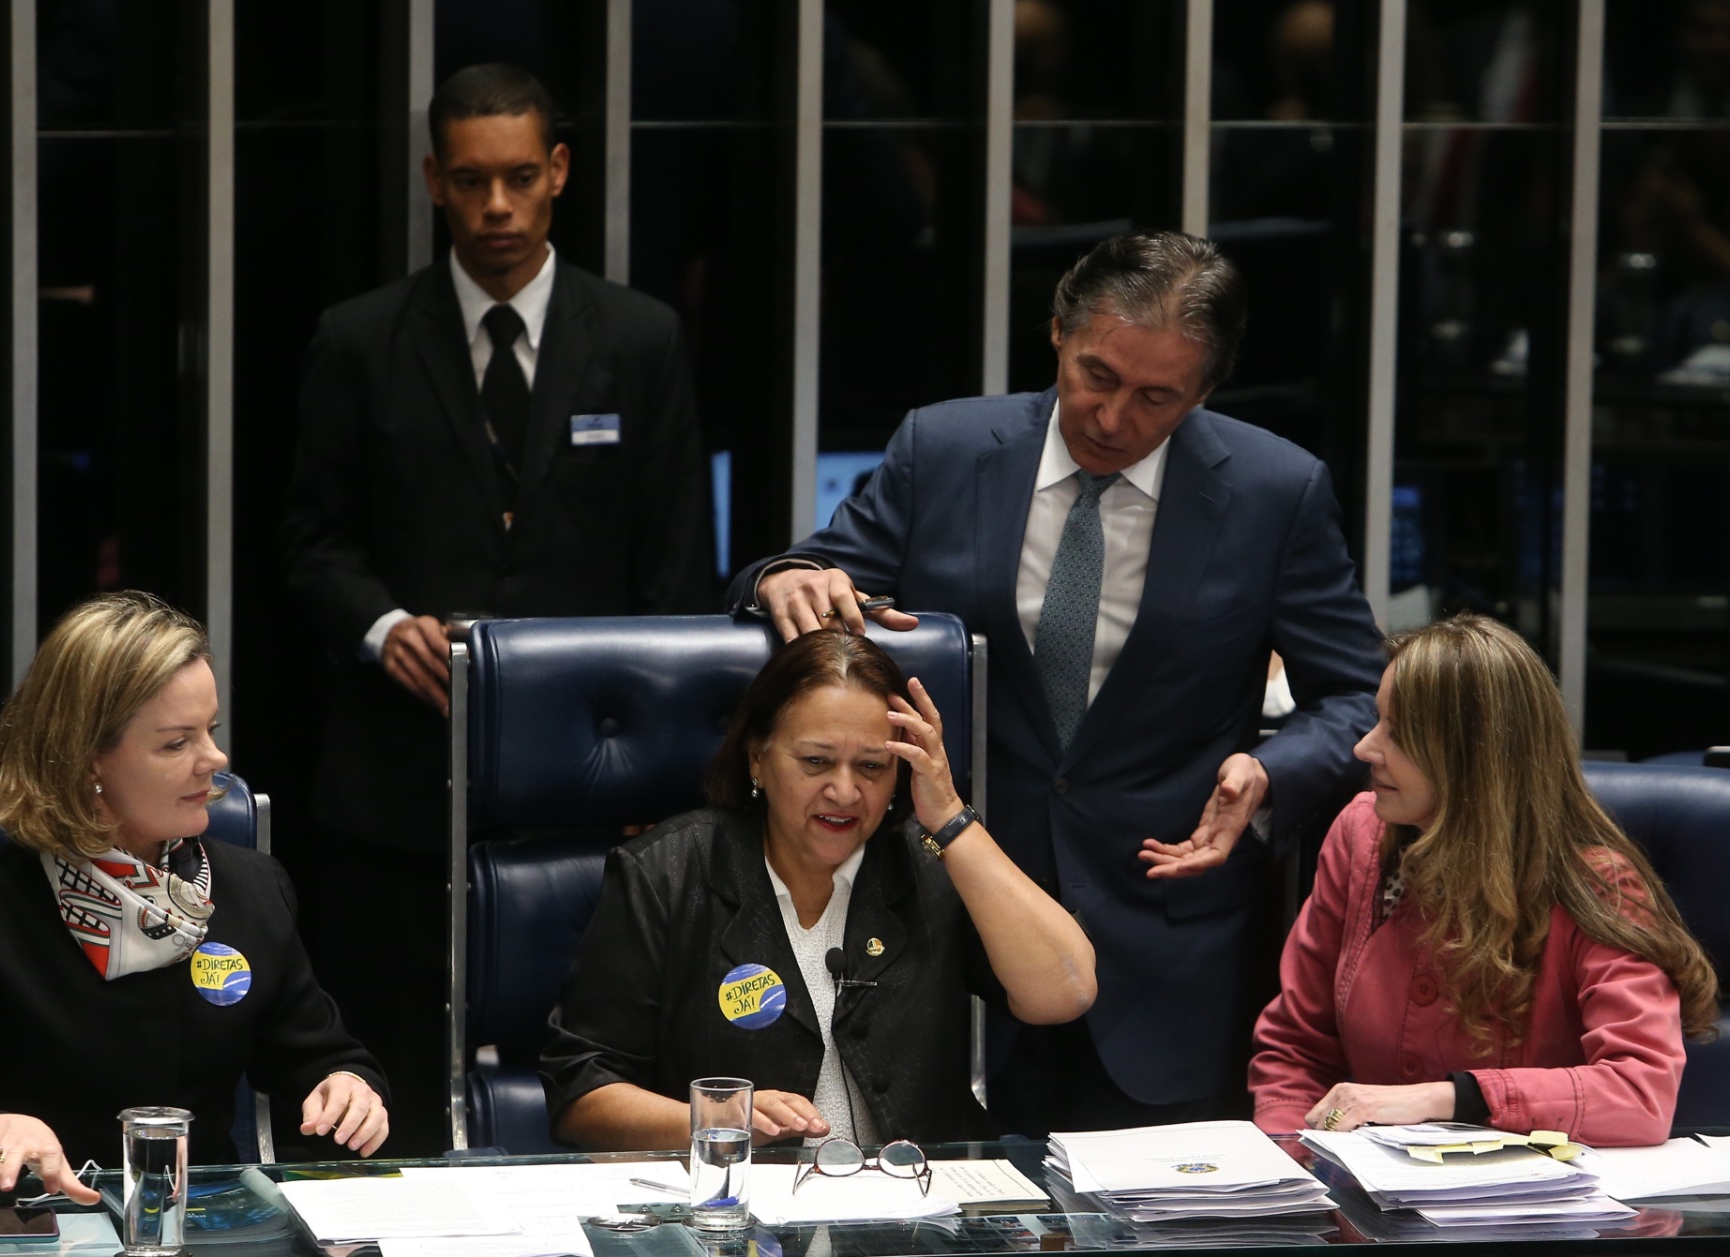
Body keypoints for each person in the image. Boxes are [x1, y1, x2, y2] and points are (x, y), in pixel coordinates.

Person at [727, 230, 1384, 1132]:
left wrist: (1274, 771)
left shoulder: (1277, 491)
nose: (1113, 417)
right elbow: (816, 577)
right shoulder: (947, 448)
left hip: (1166, 951)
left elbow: (1356, 694)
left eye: (1157, 397)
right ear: (1058, 335)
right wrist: (778, 576)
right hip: (954, 942)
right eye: (1096, 375)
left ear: (1203, 391)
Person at [283, 63, 712, 1152]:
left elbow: (675, 577)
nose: (499, 208)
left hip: (589, 791)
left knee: (595, 1062)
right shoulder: (360, 340)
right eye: (472, 181)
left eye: (521, 177)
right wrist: (384, 627)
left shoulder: (640, 339)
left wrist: (663, 783)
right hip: (398, 780)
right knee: (391, 1081)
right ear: (434, 179)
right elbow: (311, 543)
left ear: (559, 171)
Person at [0, 593, 389, 1200]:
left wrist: (347, 1083)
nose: (217, 759)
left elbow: (320, 1054)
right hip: (43, 1217)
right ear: (85, 763)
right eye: (176, 743)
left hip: (206, 1216)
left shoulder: (251, 889)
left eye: (209, 731)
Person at [540, 631, 1096, 1150]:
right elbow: (581, 1095)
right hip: (742, 1214)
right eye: (816, 761)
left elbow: (1064, 992)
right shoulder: (668, 873)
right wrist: (720, 1119)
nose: (845, 791)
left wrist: (949, 816)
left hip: (919, 1212)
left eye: (873, 766)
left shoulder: (931, 865)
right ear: (757, 755)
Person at [1249, 614, 1718, 1146]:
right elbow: (1295, 1050)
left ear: (1474, 757)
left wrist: (1446, 1098)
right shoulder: (1361, 835)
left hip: (1538, 1216)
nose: (1365, 748)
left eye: (1397, 733)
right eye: (1377, 722)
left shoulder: (1596, 884)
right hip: (1368, 1204)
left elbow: (1641, 1094)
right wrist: (1298, 1167)